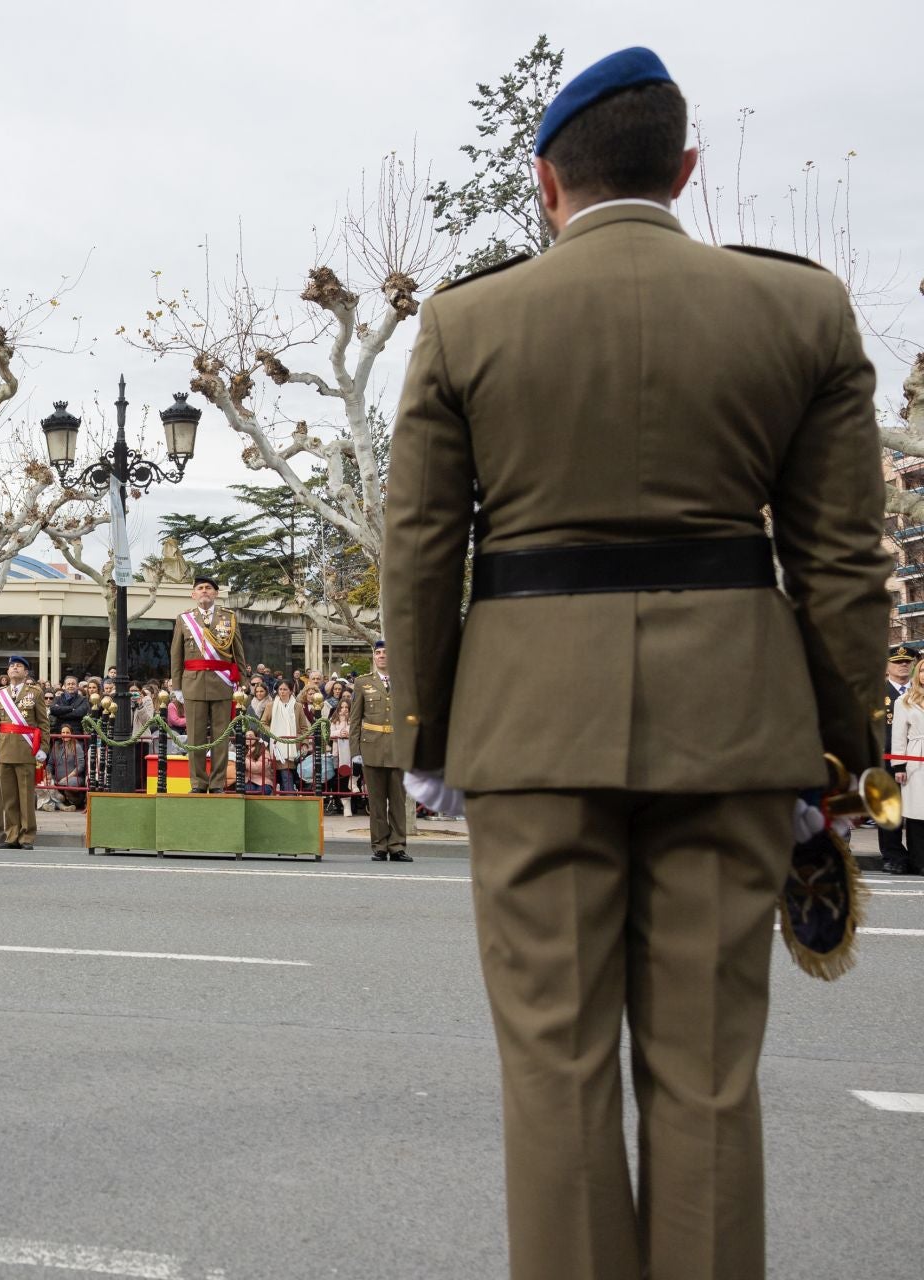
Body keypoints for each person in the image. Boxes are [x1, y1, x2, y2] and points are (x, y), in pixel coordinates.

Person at [381, 49, 889, 1280]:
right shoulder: (801, 310)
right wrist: (839, 749)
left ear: (548, 184)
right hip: (732, 725)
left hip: (531, 731)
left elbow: (418, 553)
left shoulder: (466, 321)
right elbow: (841, 563)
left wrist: (430, 735)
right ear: (688, 170)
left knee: (554, 1071)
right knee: (709, 1074)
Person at [170, 575, 245, 792]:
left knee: (221, 738)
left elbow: (238, 652)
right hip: (192, 684)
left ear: (216, 593)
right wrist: (177, 687)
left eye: (209, 588)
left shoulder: (228, 618)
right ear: (193, 594)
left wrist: (242, 682)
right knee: (195, 737)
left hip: (222, 684)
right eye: (200, 588)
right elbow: (176, 654)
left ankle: (218, 783)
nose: (205, 591)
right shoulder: (184, 620)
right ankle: (198, 783)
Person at [353, 640, 408, 860]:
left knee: (398, 802)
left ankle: (397, 846)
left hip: (398, 749)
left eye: (386, 652)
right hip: (372, 748)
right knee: (376, 803)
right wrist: (355, 751)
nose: (382, 656)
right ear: (374, 657)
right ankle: (379, 846)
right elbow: (355, 720)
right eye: (378, 652)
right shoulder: (362, 683)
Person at [0, 655, 47, 849]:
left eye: (19, 666)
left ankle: (26, 836)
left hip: (25, 749)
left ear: (26, 672)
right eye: (12, 666)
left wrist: (43, 748)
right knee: (9, 796)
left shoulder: (35, 693)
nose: (14, 669)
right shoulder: (0, 694)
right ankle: (12, 835)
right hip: (4, 750)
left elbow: (44, 724)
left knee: (26, 797)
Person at [879, 646, 916, 872]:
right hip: (885, 760)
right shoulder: (876, 693)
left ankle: (917, 854)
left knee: (916, 811)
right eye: (897, 662)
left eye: (906, 662)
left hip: (915, 761)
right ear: (887, 666)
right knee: (889, 811)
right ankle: (893, 857)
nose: (903, 665)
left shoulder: (918, 691)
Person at [892, 674, 924, 875]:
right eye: (923, 669)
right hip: (916, 758)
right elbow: (898, 735)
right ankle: (919, 860)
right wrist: (899, 766)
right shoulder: (904, 700)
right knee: (916, 813)